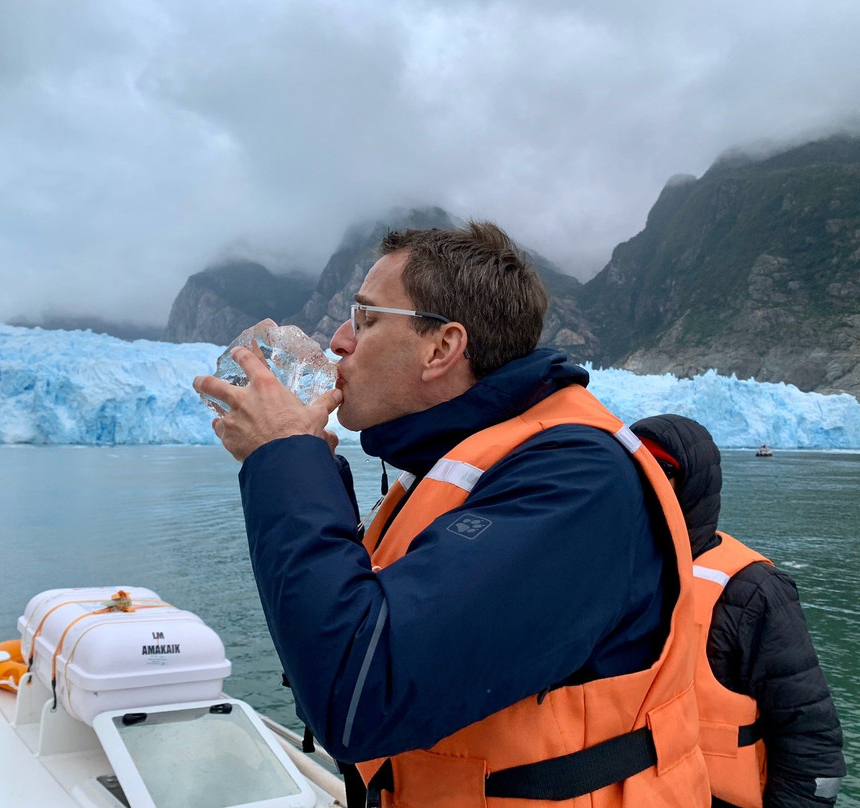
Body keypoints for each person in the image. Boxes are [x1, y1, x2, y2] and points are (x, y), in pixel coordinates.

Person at [195, 221, 710, 806]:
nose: (338, 340)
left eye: (365, 318)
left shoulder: (573, 481)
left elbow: (360, 693)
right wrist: (310, 468)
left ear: (441, 348)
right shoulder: (456, 465)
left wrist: (284, 463)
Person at [630, 415, 846, 808]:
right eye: (635, 466)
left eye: (662, 469)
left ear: (695, 485)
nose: (648, 481)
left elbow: (810, 740)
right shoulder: (606, 577)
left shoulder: (752, 591)